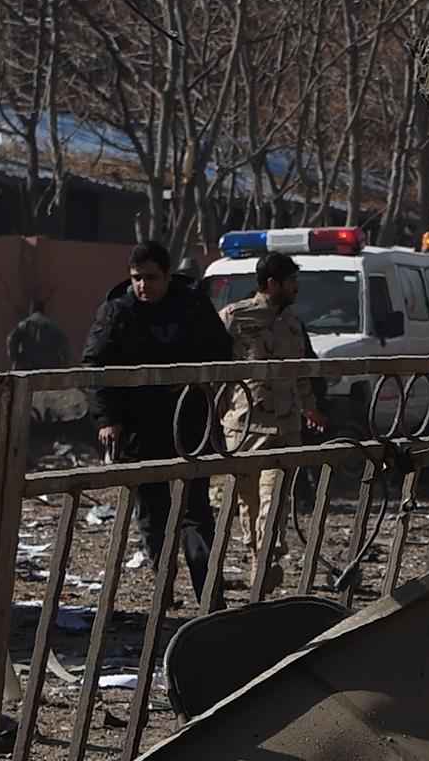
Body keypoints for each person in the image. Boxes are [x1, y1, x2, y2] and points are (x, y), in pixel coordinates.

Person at [84, 243, 232, 599]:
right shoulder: (117, 313)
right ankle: (163, 590)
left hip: (189, 422)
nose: (143, 285)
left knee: (195, 513)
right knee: (153, 518)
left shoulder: (193, 306)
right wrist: (109, 419)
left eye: (151, 277)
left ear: (167, 275)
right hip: (139, 428)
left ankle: (210, 597)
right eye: (136, 278)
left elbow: (221, 351)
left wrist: (210, 385)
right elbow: (94, 367)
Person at [219, 249, 328, 595]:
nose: (297, 287)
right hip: (245, 426)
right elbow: (215, 366)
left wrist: (310, 407)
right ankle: (258, 559)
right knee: (247, 501)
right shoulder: (234, 318)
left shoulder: (294, 323)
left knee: (275, 497)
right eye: (291, 280)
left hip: (285, 427)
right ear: (272, 283)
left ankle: (265, 564)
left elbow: (301, 374)